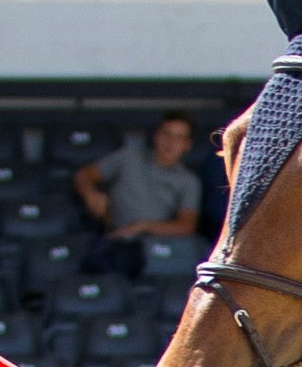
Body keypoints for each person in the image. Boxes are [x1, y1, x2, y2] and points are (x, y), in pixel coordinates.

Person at [72, 111, 203, 276]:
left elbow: (186, 226)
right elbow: (84, 175)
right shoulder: (128, 157)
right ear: (156, 135)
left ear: (187, 145)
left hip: (154, 247)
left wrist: (142, 226)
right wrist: (90, 192)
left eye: (179, 137)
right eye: (166, 134)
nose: (170, 142)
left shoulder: (189, 181)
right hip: (116, 240)